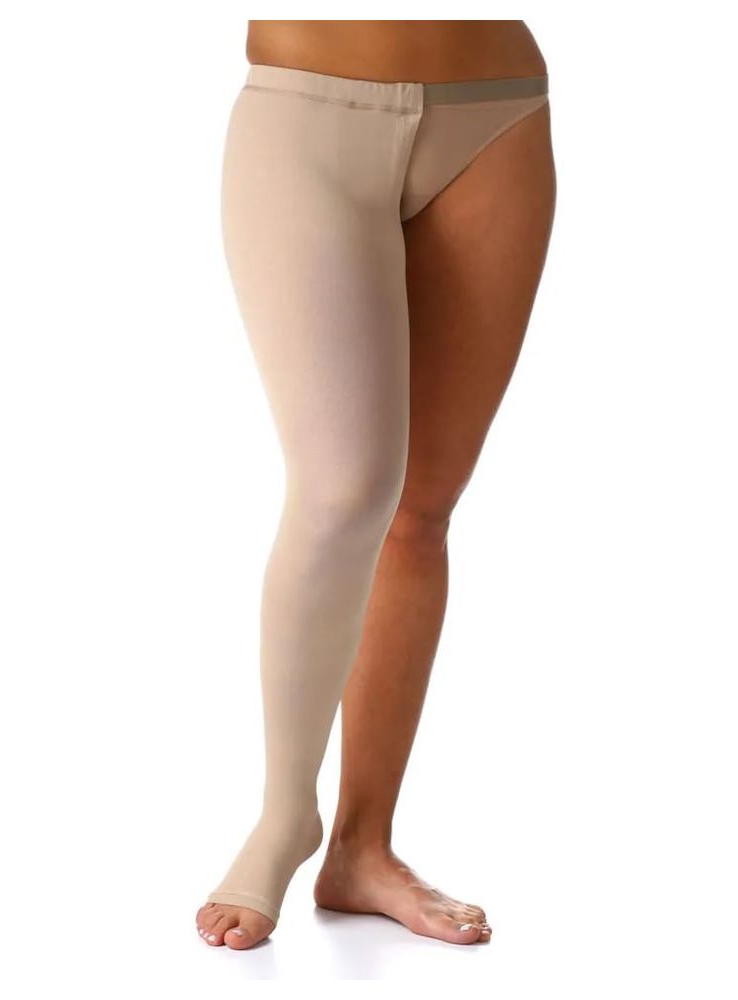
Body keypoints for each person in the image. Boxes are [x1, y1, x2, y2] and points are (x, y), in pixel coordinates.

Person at [197, 20, 557, 950]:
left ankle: (362, 848)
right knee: (343, 490)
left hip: (496, 112)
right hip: (304, 110)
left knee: (420, 510)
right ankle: (286, 814)